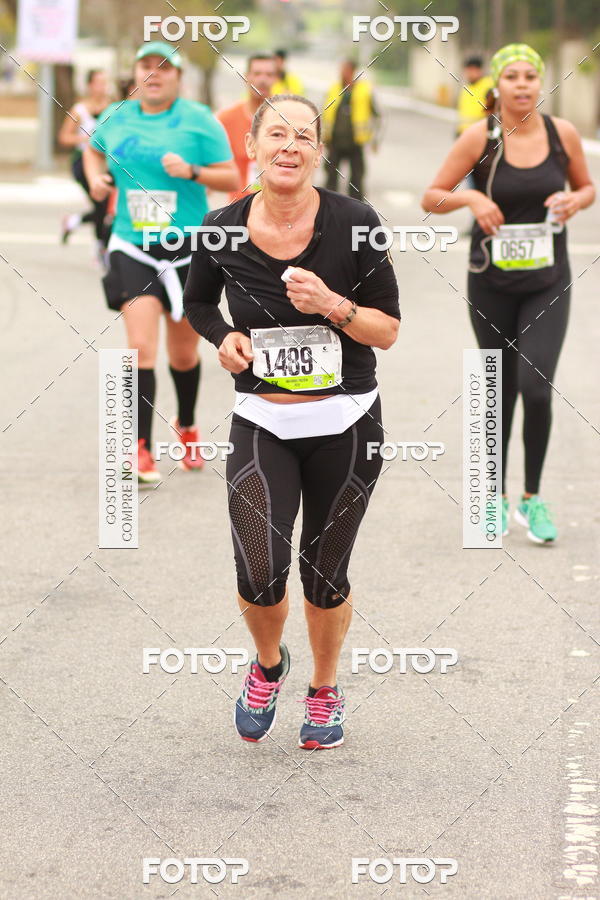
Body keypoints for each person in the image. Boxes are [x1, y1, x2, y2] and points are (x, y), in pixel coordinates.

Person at [183, 95, 400, 749]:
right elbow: (198, 303)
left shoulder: (356, 222)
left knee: (324, 576)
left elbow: (386, 330)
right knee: (258, 570)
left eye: (303, 136)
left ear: (318, 153)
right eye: (276, 133)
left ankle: (325, 689)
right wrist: (222, 337)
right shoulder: (220, 227)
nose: (289, 145)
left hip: (347, 424)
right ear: (252, 144)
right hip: (262, 423)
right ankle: (269, 664)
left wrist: (333, 304)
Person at [422, 43, 595, 543]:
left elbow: (588, 188)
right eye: (512, 76)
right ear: (496, 85)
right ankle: (492, 499)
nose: (522, 85)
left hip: (547, 279)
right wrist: (473, 197)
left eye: (530, 76)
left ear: (541, 84)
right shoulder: (481, 136)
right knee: (498, 388)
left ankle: (532, 498)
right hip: (491, 280)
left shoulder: (561, 135)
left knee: (536, 387)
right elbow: (431, 196)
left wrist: (573, 201)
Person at [84, 41, 239, 483]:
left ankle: (187, 425)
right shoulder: (116, 113)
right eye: (146, 65)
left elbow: (231, 177)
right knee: (140, 350)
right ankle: (141, 449)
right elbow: (92, 149)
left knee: (184, 353)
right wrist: (96, 175)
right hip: (132, 244)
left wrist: (192, 172)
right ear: (135, 72)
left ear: (177, 76)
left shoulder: (199, 120)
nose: (154, 73)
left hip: (188, 248)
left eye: (164, 67)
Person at [58, 69, 112, 261]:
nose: (102, 87)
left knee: (106, 207)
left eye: (105, 83)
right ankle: (101, 247)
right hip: (83, 162)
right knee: (102, 204)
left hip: (106, 164)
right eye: (98, 83)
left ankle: (73, 222)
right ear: (89, 85)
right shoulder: (79, 110)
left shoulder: (112, 107)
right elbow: (63, 137)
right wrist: (85, 138)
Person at [217, 54, 278, 202]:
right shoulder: (226, 119)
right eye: (257, 73)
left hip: (279, 210)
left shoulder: (287, 117)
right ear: (246, 77)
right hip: (238, 211)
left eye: (268, 74)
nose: (262, 80)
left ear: (275, 78)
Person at [322, 60, 380, 201]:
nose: (343, 72)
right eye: (342, 69)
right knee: (331, 175)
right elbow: (325, 112)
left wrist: (374, 139)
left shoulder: (365, 90)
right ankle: (329, 202)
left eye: (346, 69)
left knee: (357, 177)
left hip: (356, 141)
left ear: (353, 71)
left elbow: (377, 116)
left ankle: (356, 205)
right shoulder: (334, 88)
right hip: (334, 141)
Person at [456, 55, 494, 137]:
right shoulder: (466, 88)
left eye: (472, 70)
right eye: (468, 70)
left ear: (480, 70)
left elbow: (493, 113)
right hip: (463, 133)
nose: (470, 73)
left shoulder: (488, 86)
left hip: (480, 135)